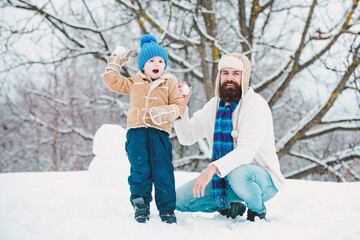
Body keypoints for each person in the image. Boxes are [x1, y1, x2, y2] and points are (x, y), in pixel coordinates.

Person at [175, 53, 285, 221]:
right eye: (225, 73)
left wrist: (211, 169)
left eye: (236, 73)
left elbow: (246, 152)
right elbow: (187, 137)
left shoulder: (255, 105)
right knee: (177, 201)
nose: (230, 78)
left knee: (238, 173)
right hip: (225, 178)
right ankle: (230, 206)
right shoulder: (214, 105)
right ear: (220, 76)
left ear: (244, 77)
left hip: (262, 180)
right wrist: (180, 107)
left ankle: (257, 210)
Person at [101, 34, 186, 224]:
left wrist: (162, 113)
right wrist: (115, 63)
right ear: (143, 66)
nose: (157, 64)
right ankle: (140, 204)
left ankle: (166, 209)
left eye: (161, 61)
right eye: (152, 60)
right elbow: (112, 82)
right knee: (139, 169)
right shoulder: (134, 82)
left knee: (163, 171)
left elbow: (179, 107)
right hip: (136, 132)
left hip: (159, 133)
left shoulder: (169, 82)